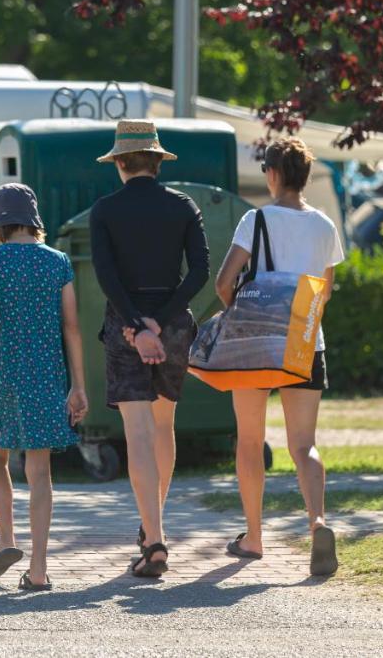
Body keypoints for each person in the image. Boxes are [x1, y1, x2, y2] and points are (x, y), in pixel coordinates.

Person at [214, 137, 343, 577]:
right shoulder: (325, 225)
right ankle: (318, 522)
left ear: (272, 174)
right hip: (306, 344)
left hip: (257, 344)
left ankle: (253, 537)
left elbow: (224, 280)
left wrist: (241, 315)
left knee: (250, 440)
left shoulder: (256, 220)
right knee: (304, 445)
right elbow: (323, 291)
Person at [90, 120, 209, 578]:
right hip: (175, 325)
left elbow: (106, 275)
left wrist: (138, 324)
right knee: (163, 427)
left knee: (136, 432)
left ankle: (154, 539)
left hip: (125, 326)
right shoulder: (184, 207)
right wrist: (161, 319)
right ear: (158, 162)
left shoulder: (104, 210)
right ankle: (152, 525)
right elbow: (198, 271)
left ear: (120, 163)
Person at [0, 184, 89, 591]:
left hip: (3, 374)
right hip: (47, 376)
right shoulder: (58, 262)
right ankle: (37, 568)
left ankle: (6, 540)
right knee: (40, 470)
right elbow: (71, 325)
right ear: (33, 222)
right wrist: (78, 385)